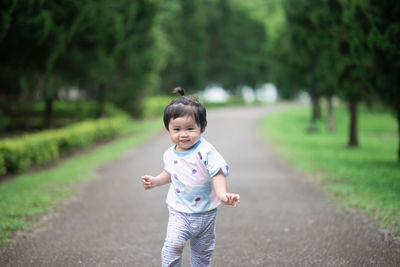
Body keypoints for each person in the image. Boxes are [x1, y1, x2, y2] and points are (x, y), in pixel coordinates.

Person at [141, 87, 240, 267]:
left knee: (202, 253)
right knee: (173, 245)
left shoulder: (206, 151)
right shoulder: (169, 154)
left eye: (190, 128)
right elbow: (170, 174)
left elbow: (217, 172)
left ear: (202, 127)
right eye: (176, 129)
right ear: (168, 129)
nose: (183, 134)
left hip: (206, 213)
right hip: (179, 210)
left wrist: (222, 194)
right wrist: (156, 181)